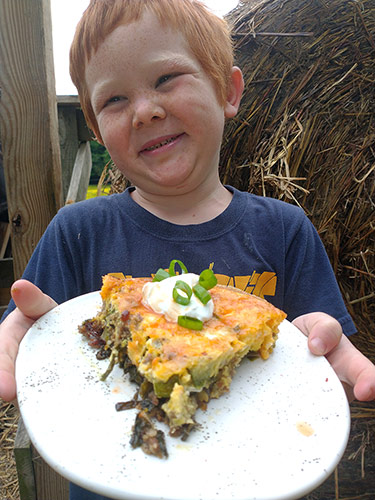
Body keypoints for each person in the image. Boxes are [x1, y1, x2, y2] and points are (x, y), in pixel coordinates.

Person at [0, 0, 374, 498]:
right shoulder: (77, 232)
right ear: (94, 130)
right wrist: (27, 332)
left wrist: (327, 353)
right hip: (112, 478)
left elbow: (319, 360)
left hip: (258, 474)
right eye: (114, 100)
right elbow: (36, 344)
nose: (145, 110)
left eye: (167, 79)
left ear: (228, 91)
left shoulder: (284, 229)